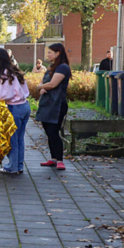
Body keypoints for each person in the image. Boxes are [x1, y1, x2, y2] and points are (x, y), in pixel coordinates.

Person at [0, 48, 31, 175]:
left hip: (15, 108)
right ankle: (19, 165)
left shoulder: (4, 73)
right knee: (19, 139)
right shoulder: (15, 70)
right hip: (25, 106)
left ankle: (12, 167)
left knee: (12, 140)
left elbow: (4, 95)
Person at [35, 42, 71, 171]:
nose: (47, 55)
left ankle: (60, 160)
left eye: (50, 52)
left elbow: (52, 84)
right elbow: (43, 82)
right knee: (48, 131)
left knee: (54, 131)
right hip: (47, 103)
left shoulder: (63, 68)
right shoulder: (51, 67)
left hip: (57, 104)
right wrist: (41, 87)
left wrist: (41, 87)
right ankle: (53, 158)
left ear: (57, 53)